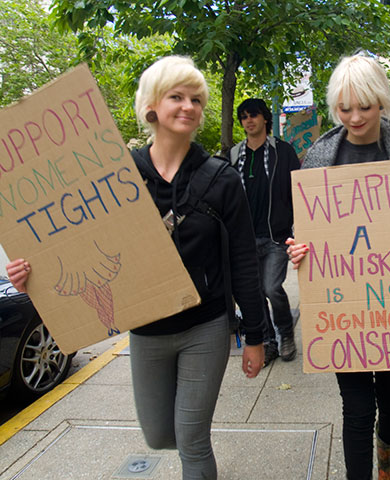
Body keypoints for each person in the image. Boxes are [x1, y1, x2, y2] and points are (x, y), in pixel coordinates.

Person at [8, 56, 266, 480]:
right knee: (160, 434)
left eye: (196, 99)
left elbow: (244, 260)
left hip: (206, 326)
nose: (189, 106)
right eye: (176, 97)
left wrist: (254, 335)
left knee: (193, 439)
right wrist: (32, 275)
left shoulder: (222, 178)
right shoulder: (115, 175)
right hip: (146, 329)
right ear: (151, 106)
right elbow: (75, 247)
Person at [286, 53, 390, 480]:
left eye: (364, 106)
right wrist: (298, 250)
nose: (355, 117)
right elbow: (306, 228)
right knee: (357, 408)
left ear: (381, 101)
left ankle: (387, 454)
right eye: (345, 108)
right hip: (344, 313)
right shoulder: (320, 156)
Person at [229, 98, 300, 367]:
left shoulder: (283, 152)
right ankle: (268, 341)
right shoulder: (235, 155)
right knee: (254, 293)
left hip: (276, 236)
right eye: (244, 116)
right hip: (245, 238)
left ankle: (285, 332)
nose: (249, 120)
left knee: (271, 288)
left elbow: (298, 190)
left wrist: (298, 226)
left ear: (265, 119)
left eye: (254, 115)